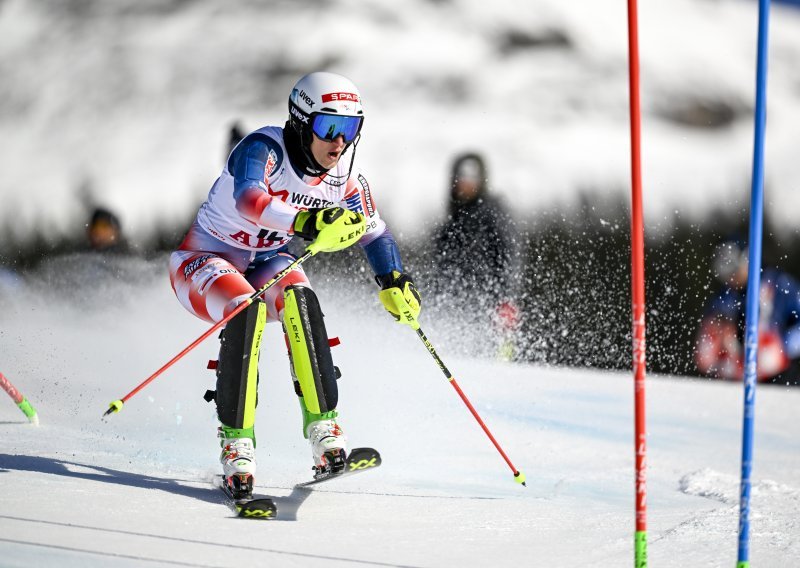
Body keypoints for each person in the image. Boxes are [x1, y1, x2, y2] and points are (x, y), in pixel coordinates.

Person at [169, 71, 421, 498]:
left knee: (300, 295)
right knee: (244, 306)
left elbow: (375, 233)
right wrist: (305, 220)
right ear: (302, 122)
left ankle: (325, 429)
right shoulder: (262, 149)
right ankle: (237, 444)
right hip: (202, 261)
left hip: (267, 261)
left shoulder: (347, 180)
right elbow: (249, 201)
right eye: (329, 127)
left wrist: (394, 280)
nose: (339, 142)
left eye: (351, 129)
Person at [432, 152, 518, 358]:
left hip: (491, 302)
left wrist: (506, 297)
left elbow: (509, 253)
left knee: (498, 358)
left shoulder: (493, 213)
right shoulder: (452, 221)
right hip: (458, 304)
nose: (465, 184)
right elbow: (442, 266)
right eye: (460, 178)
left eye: (471, 178)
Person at [695, 239, 800, 384]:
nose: (731, 278)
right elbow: (708, 340)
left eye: (734, 269)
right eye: (725, 273)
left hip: (780, 374)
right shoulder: (725, 295)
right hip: (738, 377)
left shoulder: (779, 284)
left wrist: (785, 346)